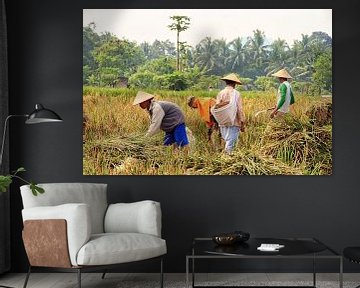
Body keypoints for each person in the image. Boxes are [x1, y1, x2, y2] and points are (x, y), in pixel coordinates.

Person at [211, 73, 245, 153]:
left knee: (226, 140)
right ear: (234, 83)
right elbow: (239, 109)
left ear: (226, 82)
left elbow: (217, 108)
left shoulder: (221, 93)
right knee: (230, 144)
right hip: (234, 122)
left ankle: (226, 158)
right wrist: (242, 122)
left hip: (222, 122)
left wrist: (216, 123)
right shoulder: (236, 94)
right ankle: (227, 159)